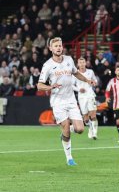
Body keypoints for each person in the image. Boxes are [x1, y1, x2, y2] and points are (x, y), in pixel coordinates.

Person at [37, 37, 96, 166]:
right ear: (51, 49)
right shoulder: (47, 65)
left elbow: (75, 73)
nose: (58, 48)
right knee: (66, 129)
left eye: (60, 45)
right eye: (56, 46)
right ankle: (69, 158)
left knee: (80, 129)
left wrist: (87, 80)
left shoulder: (69, 60)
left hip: (71, 100)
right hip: (57, 101)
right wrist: (50, 87)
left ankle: (66, 131)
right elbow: (39, 85)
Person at [73, 57, 98, 140]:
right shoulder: (75, 74)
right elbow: (72, 85)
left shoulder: (90, 72)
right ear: (78, 64)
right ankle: (90, 127)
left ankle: (94, 133)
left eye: (83, 62)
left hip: (90, 94)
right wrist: (78, 89)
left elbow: (95, 80)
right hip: (81, 97)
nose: (82, 64)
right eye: (80, 63)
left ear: (85, 63)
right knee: (86, 118)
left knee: (93, 114)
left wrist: (94, 83)